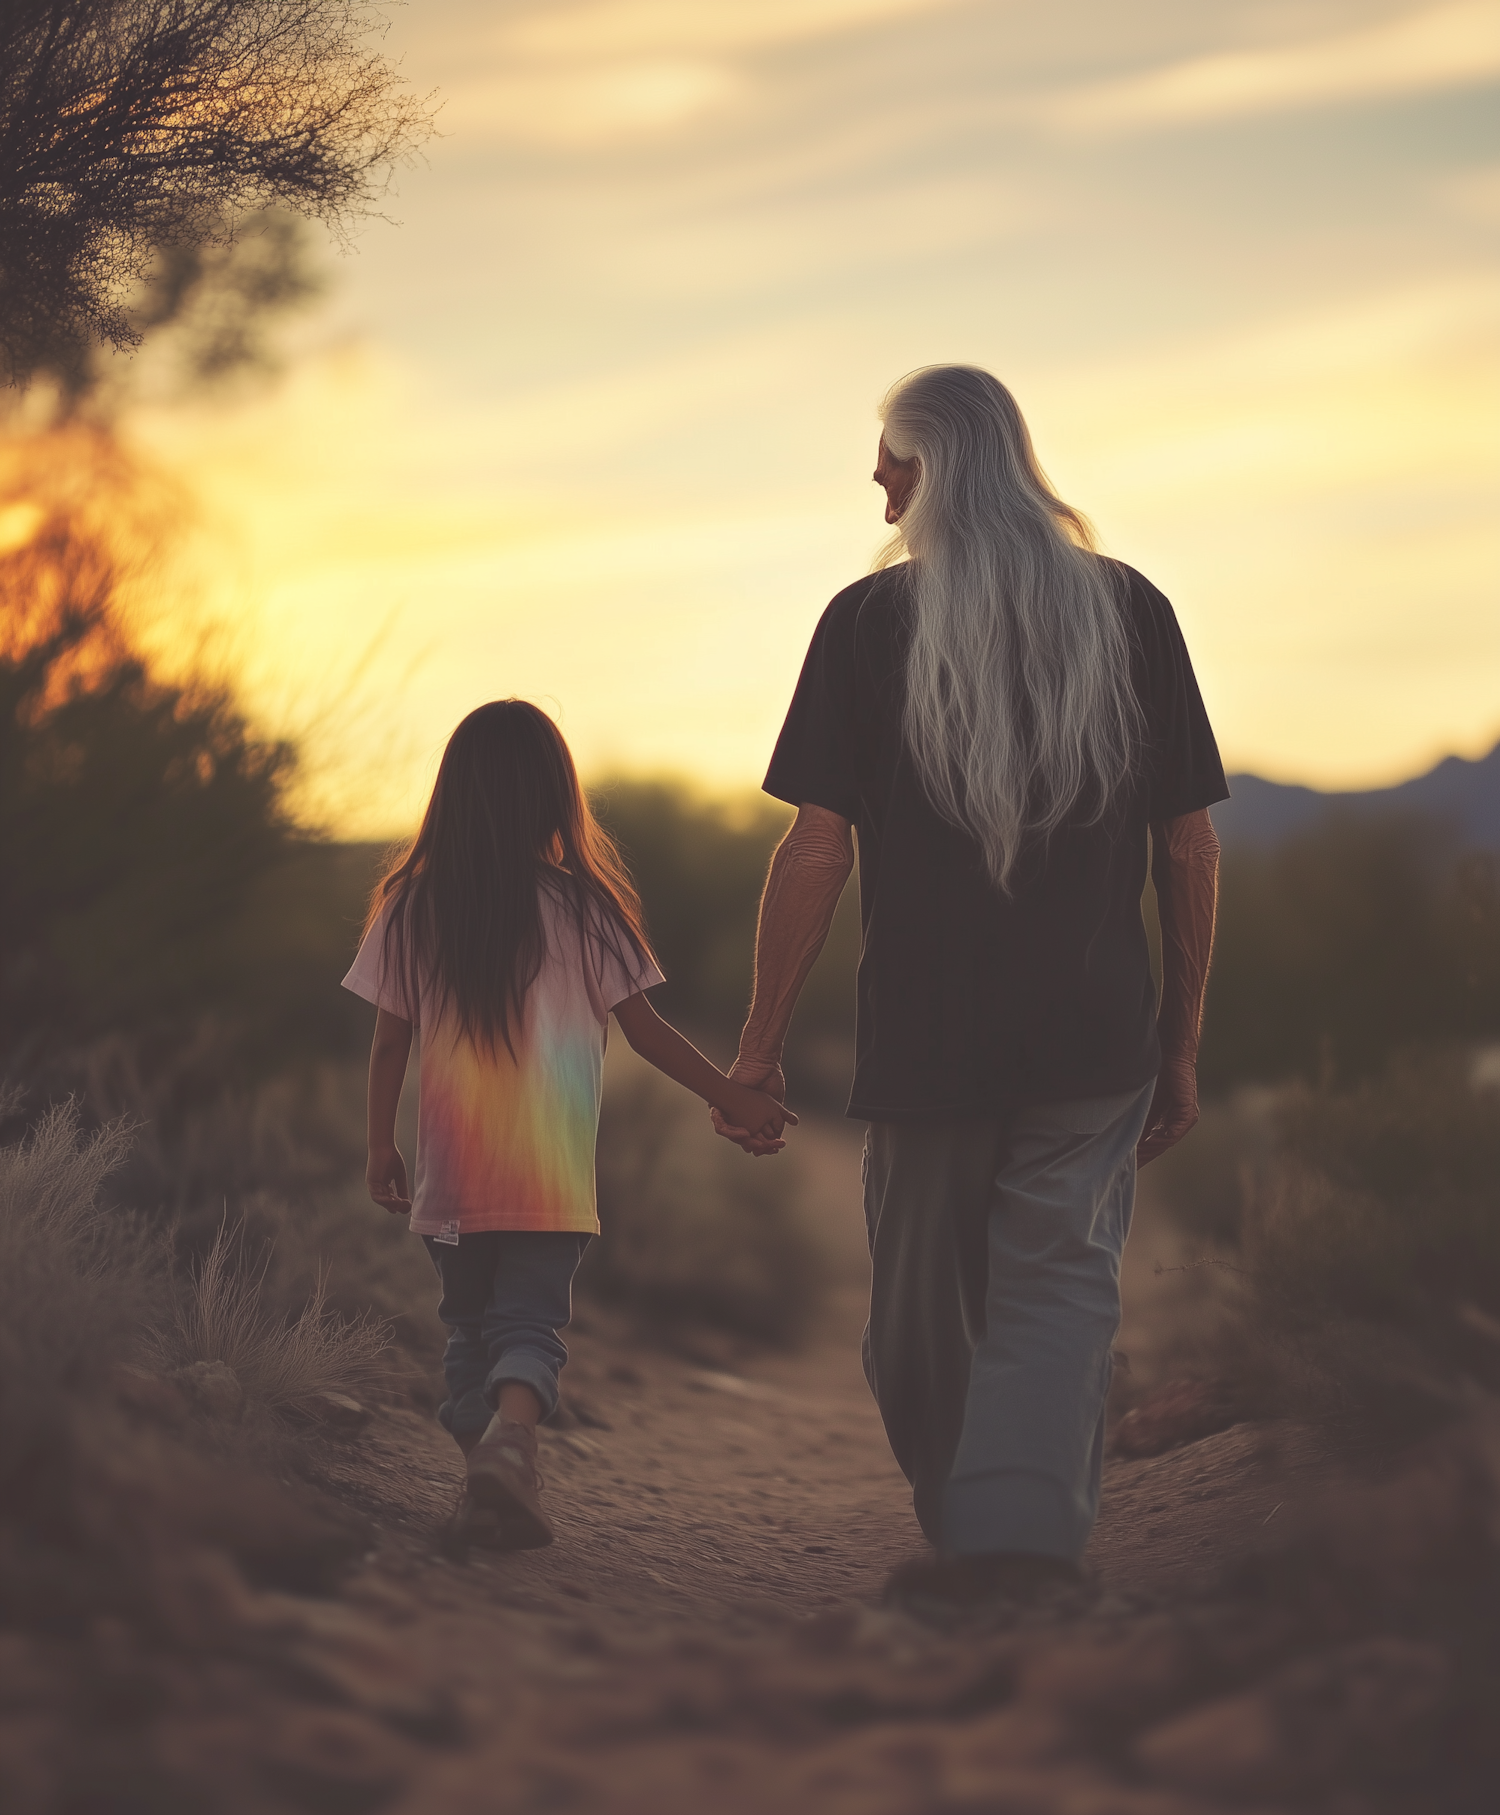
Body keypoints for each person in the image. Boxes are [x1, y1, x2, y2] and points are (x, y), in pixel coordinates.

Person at [712, 365, 1226, 1612]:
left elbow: (817, 849)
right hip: (1046, 1036)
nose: (878, 485)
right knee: (962, 1319)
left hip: (967, 1042)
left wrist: (1181, 1046)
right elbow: (1188, 847)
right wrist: (758, 1049)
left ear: (936, 466)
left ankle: (1010, 1551)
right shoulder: (1103, 611)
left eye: (891, 462)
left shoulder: (885, 621)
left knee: (987, 1309)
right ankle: (988, 1539)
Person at [343, 699, 793, 1551]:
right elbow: (647, 1033)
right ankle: (511, 1446)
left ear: (453, 795)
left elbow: (389, 1041)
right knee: (530, 1325)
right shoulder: (587, 908)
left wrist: (379, 1145)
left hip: (453, 1181)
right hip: (551, 1179)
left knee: (469, 1330)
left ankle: (488, 1471)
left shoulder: (411, 905)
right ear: (556, 797)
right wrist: (731, 1095)